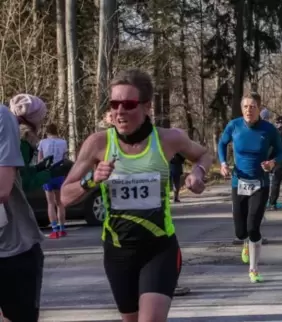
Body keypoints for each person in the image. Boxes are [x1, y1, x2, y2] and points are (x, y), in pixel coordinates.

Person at [60, 69, 212, 322]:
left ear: (146, 107)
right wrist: (92, 180)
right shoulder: (98, 143)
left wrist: (198, 172)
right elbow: (65, 196)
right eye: (114, 104)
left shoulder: (168, 139)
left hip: (159, 249)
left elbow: (204, 154)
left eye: (128, 104)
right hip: (118, 252)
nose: (120, 111)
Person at [218, 92, 282, 283]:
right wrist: (223, 163)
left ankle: (253, 269)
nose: (249, 109)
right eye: (246, 106)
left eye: (253, 106)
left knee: (253, 227)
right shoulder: (234, 126)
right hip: (238, 182)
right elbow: (222, 144)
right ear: (242, 109)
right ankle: (246, 243)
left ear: (259, 108)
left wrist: (272, 163)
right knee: (240, 231)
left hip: (260, 183)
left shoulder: (268, 129)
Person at [0, 95, 48, 322]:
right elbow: (23, 183)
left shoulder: (5, 120)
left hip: (13, 242)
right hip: (14, 242)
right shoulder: (25, 137)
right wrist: (48, 173)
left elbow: (8, 185)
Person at [38, 123, 69, 239]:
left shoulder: (42, 143)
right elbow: (65, 159)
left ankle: (54, 230)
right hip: (59, 173)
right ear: (57, 131)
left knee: (50, 203)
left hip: (47, 174)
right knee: (60, 203)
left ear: (47, 132)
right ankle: (62, 229)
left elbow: (40, 160)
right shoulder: (63, 142)